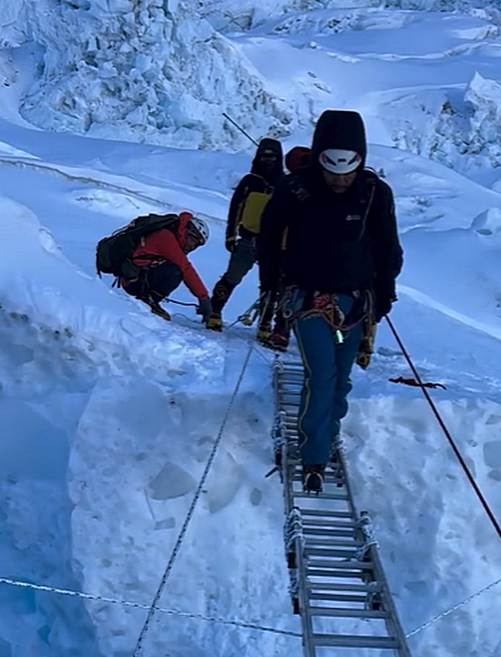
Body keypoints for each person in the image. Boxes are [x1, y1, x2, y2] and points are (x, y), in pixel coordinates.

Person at [257, 110, 403, 493]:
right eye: (333, 172)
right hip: (305, 299)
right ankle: (314, 454)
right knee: (321, 377)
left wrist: (384, 293)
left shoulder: (373, 194)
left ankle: (327, 431)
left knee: (340, 381)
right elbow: (269, 236)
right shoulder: (295, 189)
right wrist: (270, 283)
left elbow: (388, 246)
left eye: (347, 173)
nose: (340, 180)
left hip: (355, 302)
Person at [207, 137, 285, 331]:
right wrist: (230, 235)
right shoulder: (250, 181)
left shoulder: (284, 184)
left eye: (273, 156)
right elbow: (236, 208)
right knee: (232, 276)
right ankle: (214, 311)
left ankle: (265, 323)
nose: (268, 160)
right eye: (265, 156)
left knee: (271, 285)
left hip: (273, 243)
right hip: (248, 238)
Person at [120, 212, 212, 323]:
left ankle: (149, 299)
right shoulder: (166, 237)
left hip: (135, 277)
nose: (193, 247)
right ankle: (148, 301)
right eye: (194, 241)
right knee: (176, 271)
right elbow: (185, 267)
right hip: (135, 280)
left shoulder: (169, 235)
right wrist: (204, 298)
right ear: (187, 232)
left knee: (174, 269)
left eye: (196, 245)